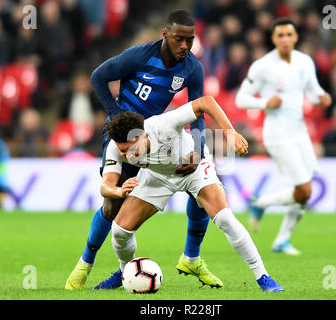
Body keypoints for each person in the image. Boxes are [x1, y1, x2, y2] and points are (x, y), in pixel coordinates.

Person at [65, 10, 221, 290]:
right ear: (165, 34)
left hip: (154, 139)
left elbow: (197, 110)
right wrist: (114, 116)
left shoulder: (192, 69)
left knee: (200, 189)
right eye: (179, 39)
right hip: (124, 138)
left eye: (190, 40)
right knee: (113, 205)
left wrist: (198, 148)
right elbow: (99, 76)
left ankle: (187, 257)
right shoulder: (140, 56)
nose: (185, 45)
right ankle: (85, 263)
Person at [101, 95, 283, 292]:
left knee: (225, 219)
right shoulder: (115, 147)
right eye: (123, 151)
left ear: (144, 135)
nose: (127, 156)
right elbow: (106, 186)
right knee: (120, 231)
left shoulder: (163, 124)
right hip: (157, 176)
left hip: (194, 169)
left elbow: (205, 102)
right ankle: (125, 272)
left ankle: (263, 276)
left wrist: (229, 133)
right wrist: (119, 191)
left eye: (130, 149)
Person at [235, 18, 332, 255]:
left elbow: (312, 89)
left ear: (296, 37)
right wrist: (265, 102)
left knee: (304, 193)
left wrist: (322, 96)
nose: (285, 39)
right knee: (305, 190)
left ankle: (281, 240)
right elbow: (241, 99)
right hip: (277, 133)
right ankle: (261, 204)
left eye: (289, 34)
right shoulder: (263, 66)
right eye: (280, 35)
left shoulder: (304, 61)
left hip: (300, 132)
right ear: (274, 39)